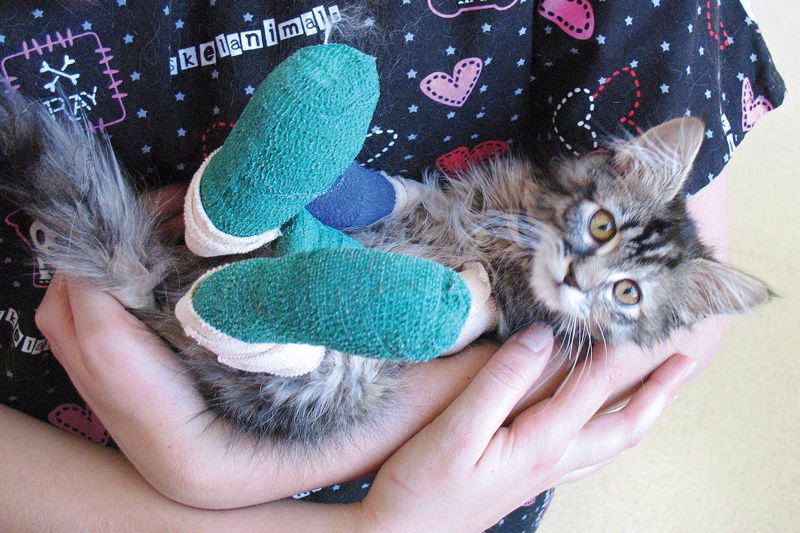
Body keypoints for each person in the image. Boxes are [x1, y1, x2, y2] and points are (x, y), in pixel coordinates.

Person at [0, 0, 784, 530]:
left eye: (616, 280)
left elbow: (667, 348)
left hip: (381, 450)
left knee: (354, 316)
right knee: (281, 214)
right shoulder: (528, 206)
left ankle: (266, 294)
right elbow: (413, 206)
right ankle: (246, 212)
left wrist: (231, 472)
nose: (583, 271)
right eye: (604, 225)